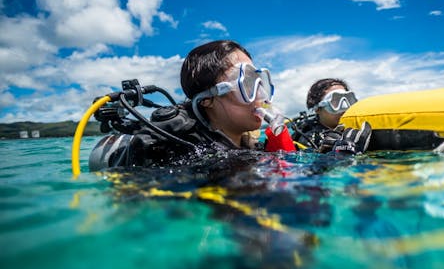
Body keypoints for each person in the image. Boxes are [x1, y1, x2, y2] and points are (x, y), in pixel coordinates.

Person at [89, 40, 291, 170]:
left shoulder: (249, 144)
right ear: (207, 99)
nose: (261, 95)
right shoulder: (187, 153)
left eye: (259, 82)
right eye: (246, 83)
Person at [291, 78, 371, 154]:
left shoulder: (359, 127)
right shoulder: (309, 139)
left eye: (349, 99)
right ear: (317, 108)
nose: (345, 107)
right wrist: (336, 154)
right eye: (335, 101)